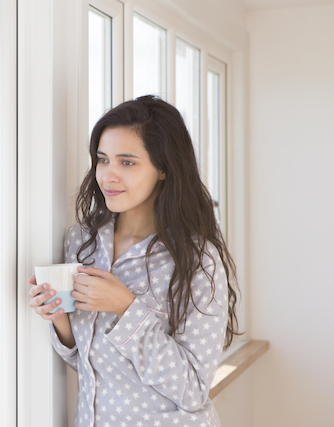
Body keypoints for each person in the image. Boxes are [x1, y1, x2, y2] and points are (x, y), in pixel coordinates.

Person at [28, 95, 240, 427]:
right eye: (102, 159)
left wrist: (125, 308)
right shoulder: (81, 242)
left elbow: (193, 390)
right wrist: (60, 320)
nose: (108, 175)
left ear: (164, 169)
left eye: (127, 162)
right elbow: (93, 364)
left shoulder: (198, 262)